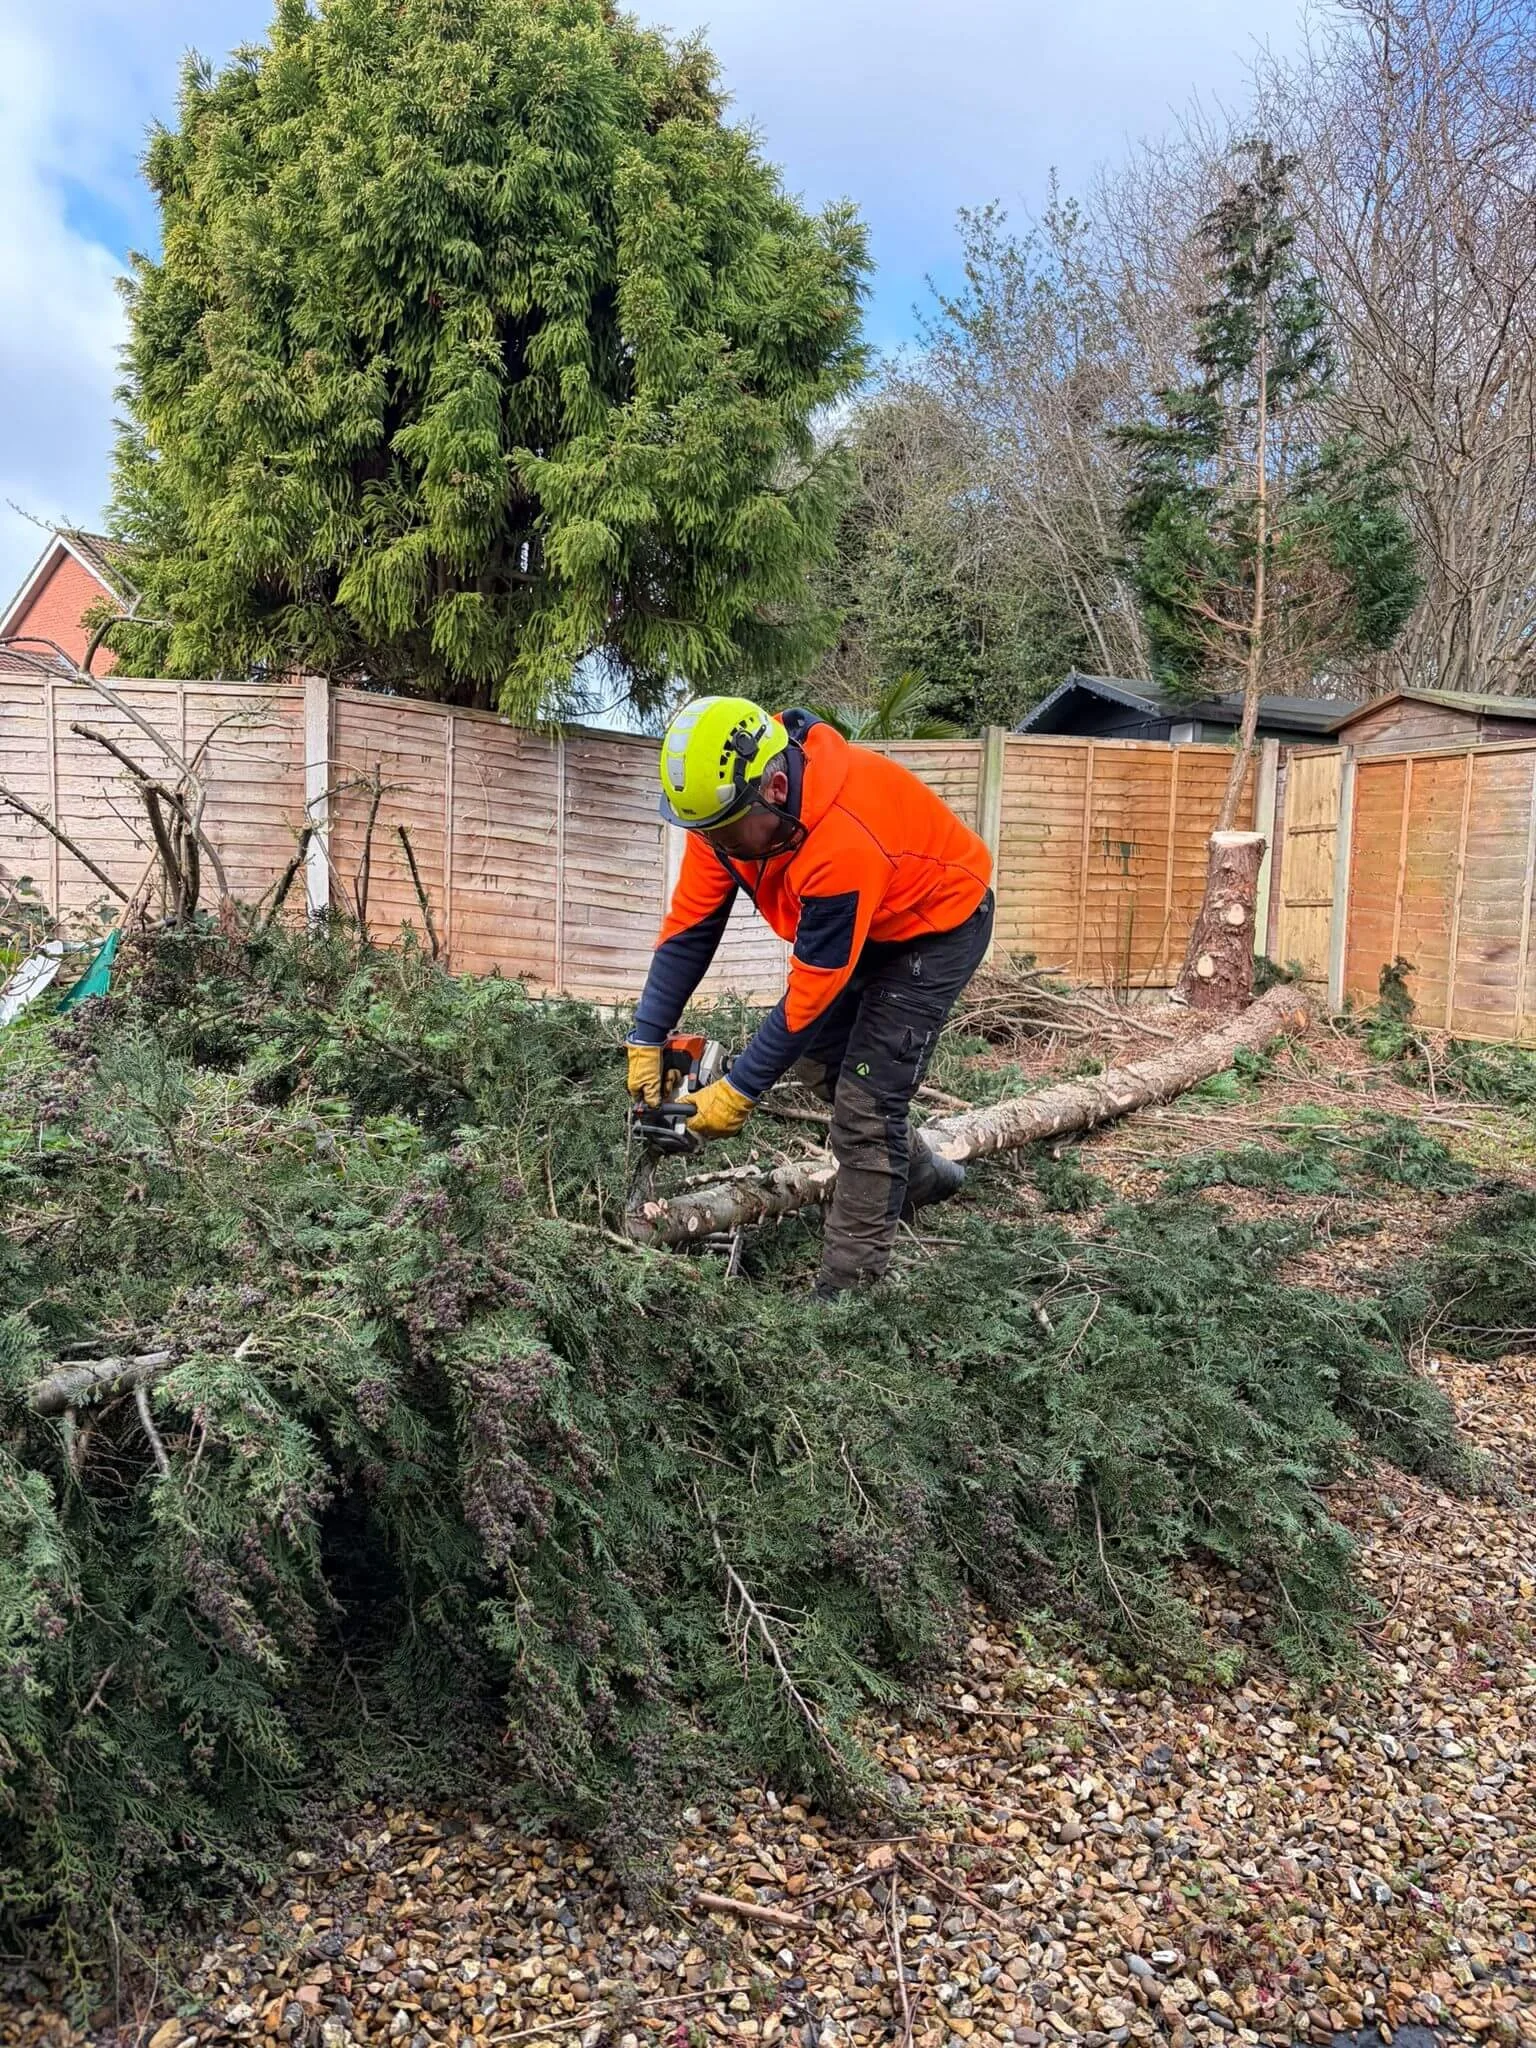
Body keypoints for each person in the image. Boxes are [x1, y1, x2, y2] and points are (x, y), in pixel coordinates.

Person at [627, 695, 994, 1297]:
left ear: (774, 785)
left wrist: (738, 1091)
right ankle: (920, 1176)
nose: (719, 845)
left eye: (726, 833)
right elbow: (690, 930)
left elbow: (810, 993)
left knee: (866, 1104)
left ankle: (847, 1292)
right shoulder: (721, 815)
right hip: (865, 921)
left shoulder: (842, 836)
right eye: (707, 834)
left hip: (937, 926)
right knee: (820, 1062)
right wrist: (647, 1036)